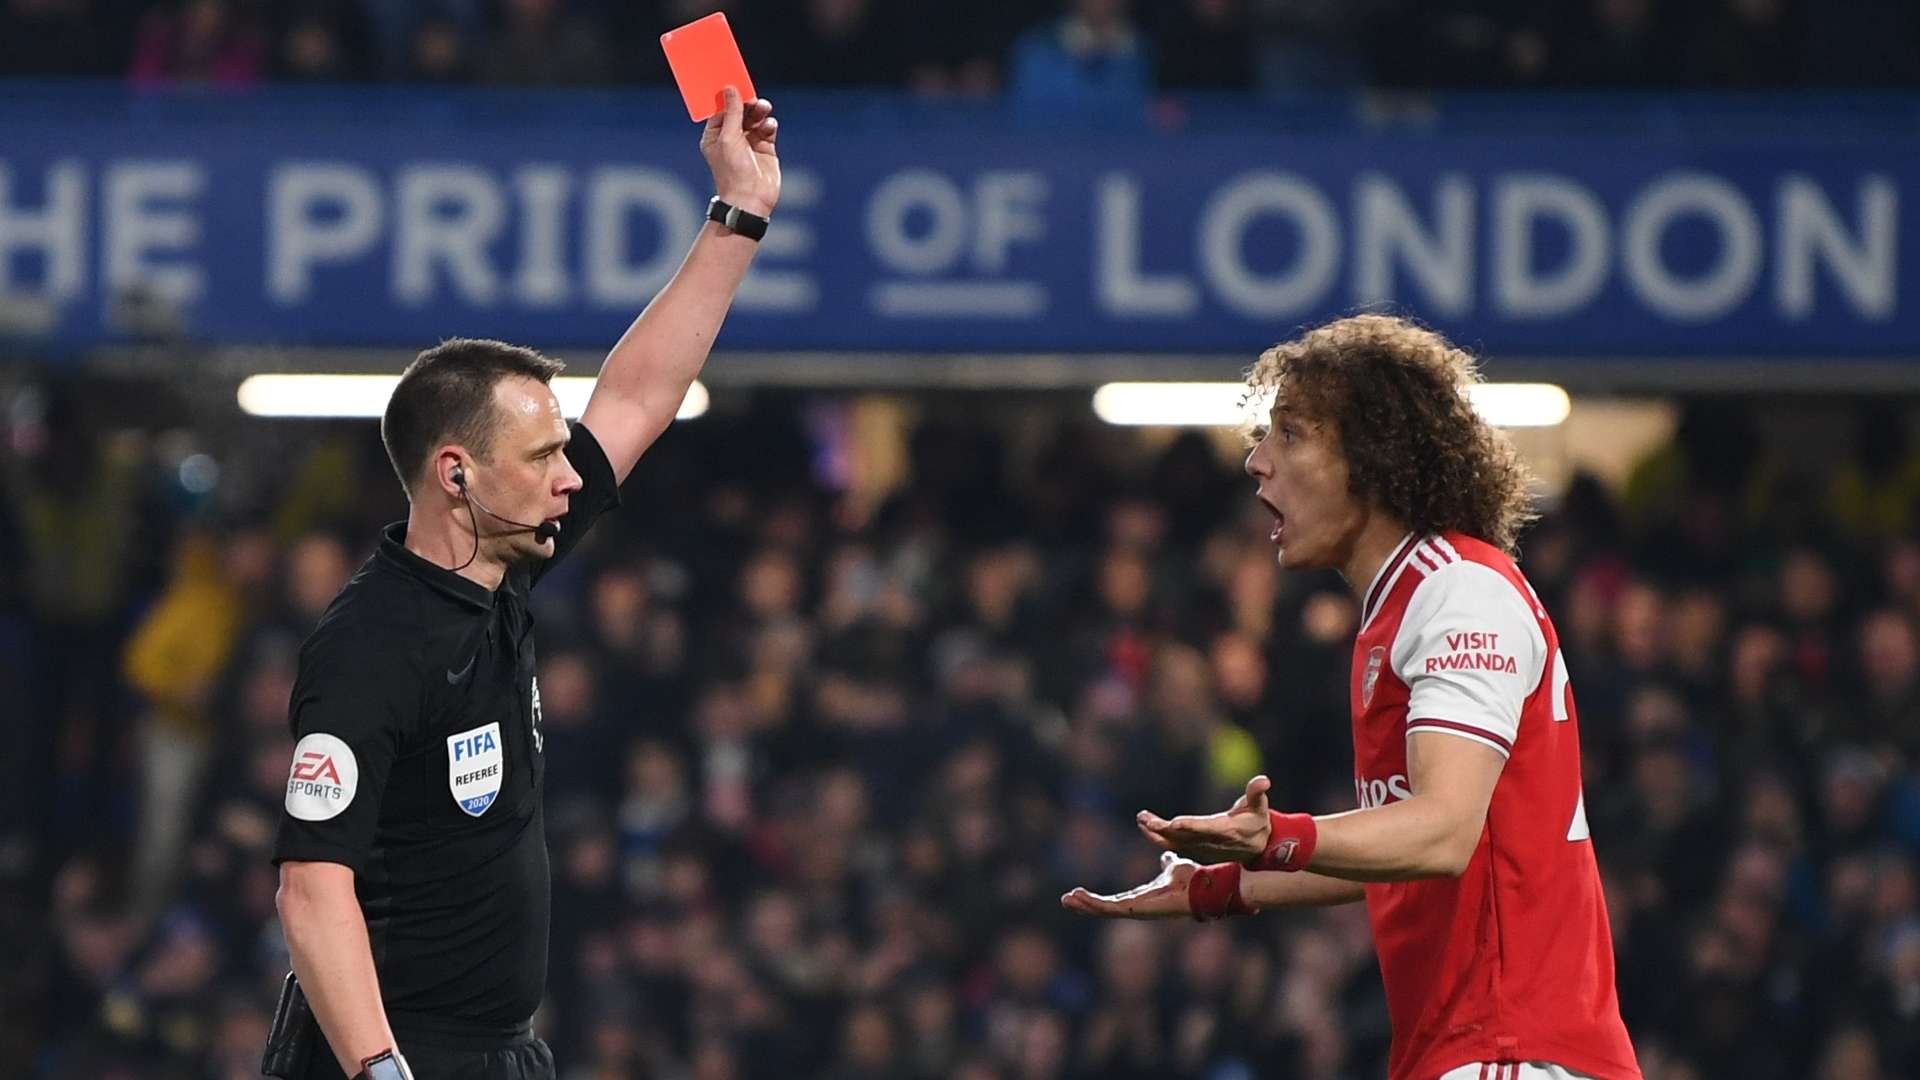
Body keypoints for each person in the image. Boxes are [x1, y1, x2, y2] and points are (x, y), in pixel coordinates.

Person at [268, 88, 779, 1080]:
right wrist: (379, 1069)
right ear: (457, 475)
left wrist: (739, 211)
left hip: (496, 1054)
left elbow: (636, 396)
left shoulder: (497, 569)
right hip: (393, 1057)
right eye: (545, 454)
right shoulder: (373, 644)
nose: (570, 475)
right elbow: (310, 886)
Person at [1061, 315, 1642, 1080]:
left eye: (1291, 434)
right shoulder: (1400, 611)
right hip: (1471, 1049)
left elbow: (1441, 833)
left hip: (1511, 1047)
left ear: (1373, 454)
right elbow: (1400, 851)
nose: (1257, 462)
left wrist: (1277, 839)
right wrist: (1218, 885)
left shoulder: (1457, 591)